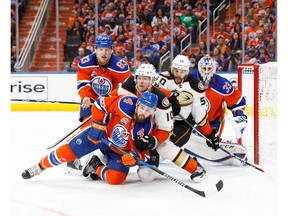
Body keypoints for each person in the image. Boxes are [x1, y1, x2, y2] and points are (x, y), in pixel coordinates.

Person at [21, 92, 158, 185]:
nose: (143, 112)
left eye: (148, 110)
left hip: (117, 151)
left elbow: (145, 155)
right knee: (68, 151)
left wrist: (134, 158)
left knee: (116, 179)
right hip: (100, 137)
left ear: (152, 112)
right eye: (142, 107)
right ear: (138, 104)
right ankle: (40, 166)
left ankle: (96, 165)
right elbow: (100, 104)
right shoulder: (125, 102)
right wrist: (98, 124)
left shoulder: (148, 126)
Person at [107, 63, 207, 182]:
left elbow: (166, 131)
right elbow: (112, 99)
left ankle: (196, 168)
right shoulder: (129, 85)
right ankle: (98, 159)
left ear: (152, 81)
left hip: (147, 133)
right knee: (108, 132)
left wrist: (153, 140)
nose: (141, 82)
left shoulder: (161, 101)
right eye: (139, 78)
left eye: (145, 79)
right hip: (129, 127)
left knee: (148, 174)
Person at [67, 35, 132, 174]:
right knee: (87, 128)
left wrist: (109, 99)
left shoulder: (120, 66)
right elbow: (83, 83)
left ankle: (102, 158)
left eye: (107, 50)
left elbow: (127, 88)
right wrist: (85, 96)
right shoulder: (86, 63)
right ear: (95, 49)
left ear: (112, 50)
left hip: (111, 102)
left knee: (108, 131)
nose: (104, 53)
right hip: (91, 99)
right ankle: (73, 157)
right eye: (101, 49)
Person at [188, 55, 248, 165]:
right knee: (188, 140)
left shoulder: (222, 85)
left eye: (209, 69)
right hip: (191, 120)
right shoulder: (189, 79)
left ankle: (233, 154)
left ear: (214, 69)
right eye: (204, 68)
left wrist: (239, 113)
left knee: (210, 144)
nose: (206, 72)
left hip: (213, 121)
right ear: (199, 68)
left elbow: (237, 102)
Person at [154, 54, 218, 150]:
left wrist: (209, 134)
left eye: (182, 72)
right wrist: (170, 97)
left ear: (187, 71)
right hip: (161, 119)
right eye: (176, 71)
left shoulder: (196, 86)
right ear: (172, 69)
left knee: (165, 147)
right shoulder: (164, 78)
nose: (178, 74)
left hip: (182, 122)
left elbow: (199, 115)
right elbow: (152, 92)